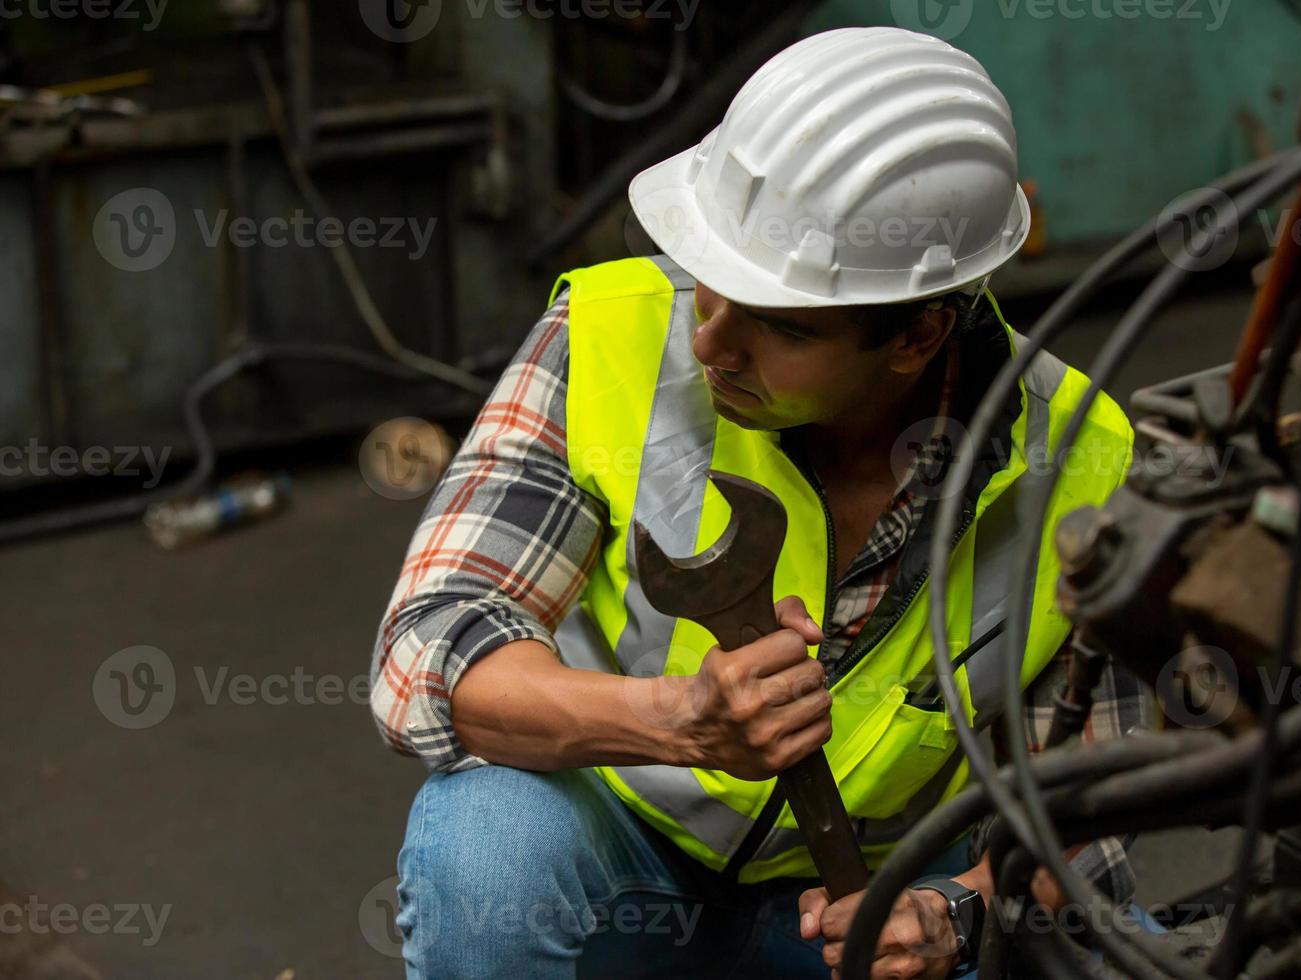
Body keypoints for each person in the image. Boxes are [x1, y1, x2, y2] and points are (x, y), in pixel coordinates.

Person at [371, 26, 1146, 980]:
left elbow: (1092, 817)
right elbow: (430, 654)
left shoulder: (1083, 465)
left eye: (778, 324)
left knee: (1116, 954)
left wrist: (955, 915)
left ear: (917, 336)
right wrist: (675, 719)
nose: (711, 343)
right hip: (626, 871)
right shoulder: (611, 336)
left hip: (859, 907)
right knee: (480, 848)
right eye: (711, 284)